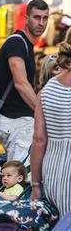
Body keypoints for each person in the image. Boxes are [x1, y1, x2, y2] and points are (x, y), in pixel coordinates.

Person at [0, 0, 49, 162]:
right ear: (26, 19)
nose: (41, 22)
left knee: (22, 176)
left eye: (45, 18)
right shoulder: (17, 43)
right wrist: (43, 113)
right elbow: (21, 83)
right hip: (15, 122)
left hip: (20, 122)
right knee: (20, 179)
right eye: (36, 17)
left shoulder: (27, 45)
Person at [31, 42, 71, 217]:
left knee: (63, 229)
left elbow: (39, 140)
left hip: (54, 172)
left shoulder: (47, 90)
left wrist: (35, 184)